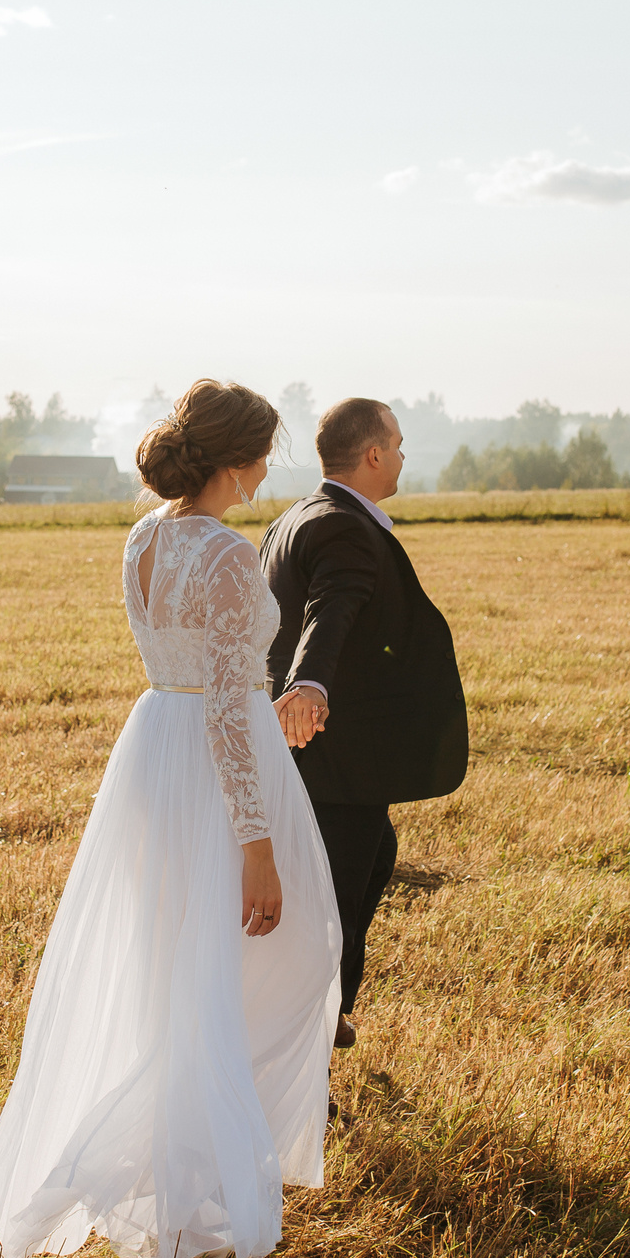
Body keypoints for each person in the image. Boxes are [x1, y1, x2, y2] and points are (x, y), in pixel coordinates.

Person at [0, 380, 341, 1258]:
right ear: (235, 461)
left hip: (156, 749)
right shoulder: (227, 556)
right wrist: (256, 848)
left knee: (176, 965)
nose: (266, 470)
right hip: (211, 763)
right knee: (268, 957)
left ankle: (182, 1180)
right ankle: (143, 1166)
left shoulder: (144, 536)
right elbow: (224, 713)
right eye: (263, 455)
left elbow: (202, 682)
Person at [260, 398, 468, 1052]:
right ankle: (310, 1042)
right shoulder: (343, 527)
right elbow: (331, 610)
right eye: (398, 444)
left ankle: (330, 1013)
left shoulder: (295, 517)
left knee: (374, 858)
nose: (403, 456)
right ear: (374, 454)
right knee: (335, 904)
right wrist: (309, 685)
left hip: (316, 749)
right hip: (332, 749)